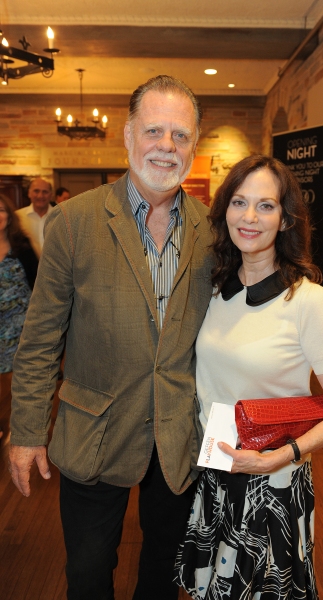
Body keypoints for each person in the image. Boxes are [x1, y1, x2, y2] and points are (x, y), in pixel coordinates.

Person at [9, 75, 214, 600]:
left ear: (195, 143)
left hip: (177, 435)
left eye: (180, 135)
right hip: (94, 431)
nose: (167, 146)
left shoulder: (213, 230)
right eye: (154, 131)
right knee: (88, 570)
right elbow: (39, 339)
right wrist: (28, 432)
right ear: (126, 137)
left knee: (164, 569)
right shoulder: (74, 221)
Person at [175, 155, 323, 600]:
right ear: (224, 211)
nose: (249, 217)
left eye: (266, 205)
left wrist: (279, 458)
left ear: (285, 219)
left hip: (271, 482)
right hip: (217, 469)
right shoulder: (217, 287)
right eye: (239, 202)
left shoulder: (308, 302)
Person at [0, 193, 38, 440]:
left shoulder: (22, 246)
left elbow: (38, 285)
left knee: (23, 381)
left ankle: (27, 431)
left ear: (9, 215)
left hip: (21, 327)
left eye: (1, 210)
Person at [15, 177, 54, 258]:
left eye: (45, 192)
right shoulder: (18, 217)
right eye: (36, 191)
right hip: (28, 268)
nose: (40, 196)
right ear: (29, 193)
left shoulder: (61, 217)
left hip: (55, 269)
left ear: (51, 195)